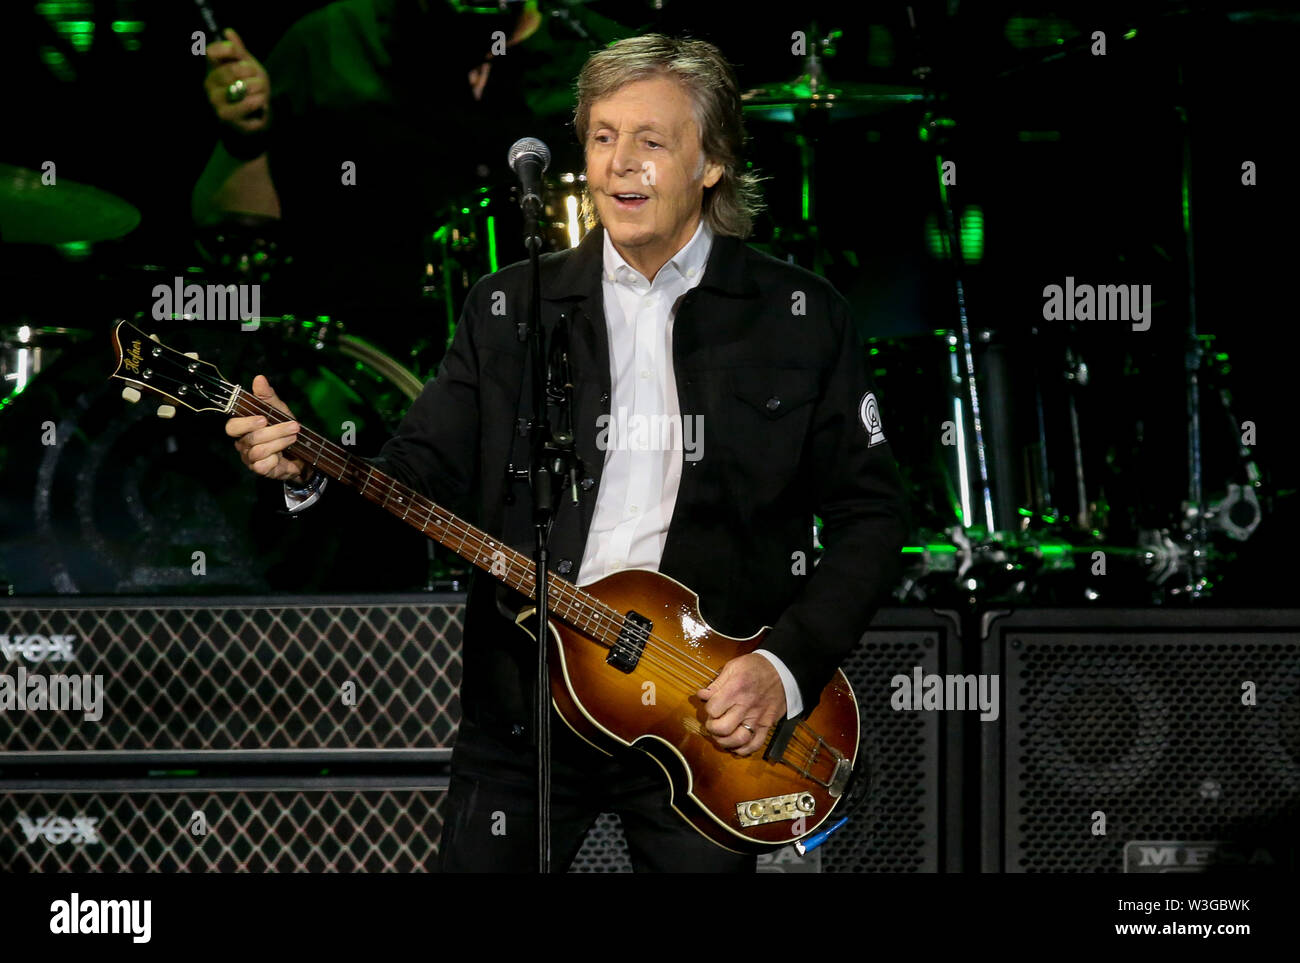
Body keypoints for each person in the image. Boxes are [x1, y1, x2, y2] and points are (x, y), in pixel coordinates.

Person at [226, 33, 908, 872]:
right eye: (601, 137)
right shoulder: (509, 308)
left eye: (652, 142)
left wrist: (783, 666)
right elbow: (415, 480)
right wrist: (308, 473)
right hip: (526, 715)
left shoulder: (799, 316)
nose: (620, 164)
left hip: (712, 722)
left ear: (714, 163)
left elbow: (874, 517)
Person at [192, 0, 542, 364]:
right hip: (367, 370)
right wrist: (244, 139)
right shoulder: (328, 43)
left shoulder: (587, 52)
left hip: (556, 367)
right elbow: (230, 239)